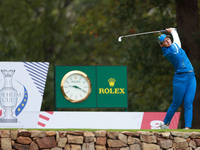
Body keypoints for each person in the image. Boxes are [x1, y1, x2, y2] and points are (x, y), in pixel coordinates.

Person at [157, 27, 197, 129]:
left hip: (191, 77)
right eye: (164, 42)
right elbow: (178, 42)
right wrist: (173, 31)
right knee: (176, 103)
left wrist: (172, 32)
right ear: (162, 45)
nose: (167, 41)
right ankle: (165, 123)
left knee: (188, 103)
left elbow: (177, 42)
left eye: (168, 39)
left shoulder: (173, 46)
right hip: (180, 79)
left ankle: (187, 127)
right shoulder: (169, 52)